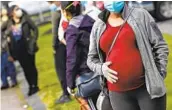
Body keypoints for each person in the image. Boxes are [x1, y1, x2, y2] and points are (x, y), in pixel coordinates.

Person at [87, 1, 169, 110]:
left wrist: (159, 73)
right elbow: (91, 59)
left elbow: (160, 45)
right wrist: (101, 68)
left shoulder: (140, 15)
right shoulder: (99, 24)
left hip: (147, 89)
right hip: (118, 94)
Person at [61, 1, 99, 108]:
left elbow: (71, 58)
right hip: (103, 69)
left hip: (88, 75)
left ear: (65, 12)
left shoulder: (72, 31)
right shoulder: (92, 21)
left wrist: (70, 83)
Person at [2, 5, 39, 96]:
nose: (19, 11)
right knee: (25, 68)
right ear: (12, 13)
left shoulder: (25, 19)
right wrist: (4, 18)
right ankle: (31, 86)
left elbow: (35, 29)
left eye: (19, 9)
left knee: (31, 67)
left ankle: (35, 85)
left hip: (28, 47)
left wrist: (33, 40)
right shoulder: (9, 23)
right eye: (16, 9)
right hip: (18, 50)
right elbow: (3, 30)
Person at [48, 1, 71, 104]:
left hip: (60, 44)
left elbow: (54, 32)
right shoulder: (70, 7)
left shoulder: (56, 13)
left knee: (61, 70)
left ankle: (66, 93)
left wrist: (54, 46)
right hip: (71, 41)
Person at [1, 8, 17, 90]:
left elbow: (9, 29)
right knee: (1, 68)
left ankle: (13, 81)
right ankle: (4, 83)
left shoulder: (6, 21)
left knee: (9, 65)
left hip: (5, 48)